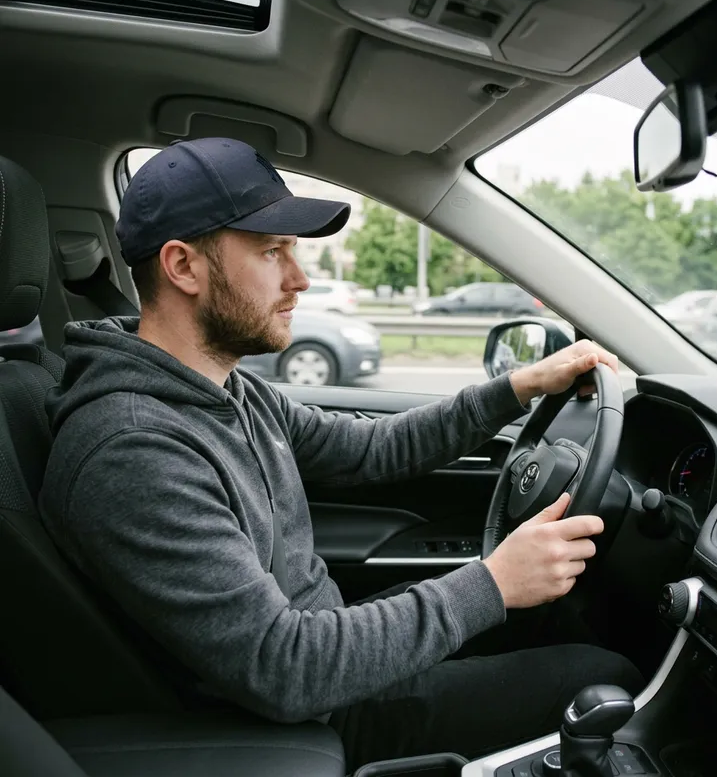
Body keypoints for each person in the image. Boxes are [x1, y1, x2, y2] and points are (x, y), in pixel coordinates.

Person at [39, 138, 642, 769]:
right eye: (272, 252)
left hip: (328, 651)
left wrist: (517, 388)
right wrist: (492, 583)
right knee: (604, 676)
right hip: (302, 713)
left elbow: (372, 448)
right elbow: (284, 667)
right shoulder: (134, 450)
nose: (299, 279)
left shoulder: (227, 391)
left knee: (547, 620)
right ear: (183, 267)